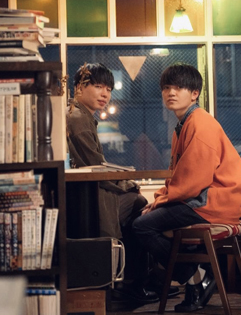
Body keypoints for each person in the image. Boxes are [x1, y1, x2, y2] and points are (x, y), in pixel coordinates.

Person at [132, 63, 241, 313]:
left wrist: (160, 201)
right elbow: (180, 176)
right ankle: (195, 278)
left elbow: (193, 180)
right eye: (166, 88)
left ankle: (194, 276)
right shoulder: (185, 124)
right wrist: (160, 199)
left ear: (194, 93)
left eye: (179, 87)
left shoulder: (200, 123)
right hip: (204, 200)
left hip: (213, 203)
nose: (171, 92)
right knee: (143, 216)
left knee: (141, 225)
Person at [66, 63, 156, 305]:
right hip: (88, 199)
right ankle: (135, 284)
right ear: (79, 87)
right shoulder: (78, 118)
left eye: (108, 89)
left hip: (87, 193)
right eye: (98, 86)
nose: (105, 94)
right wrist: (128, 185)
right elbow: (96, 168)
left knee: (139, 205)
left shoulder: (81, 115)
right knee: (140, 204)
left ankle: (136, 282)